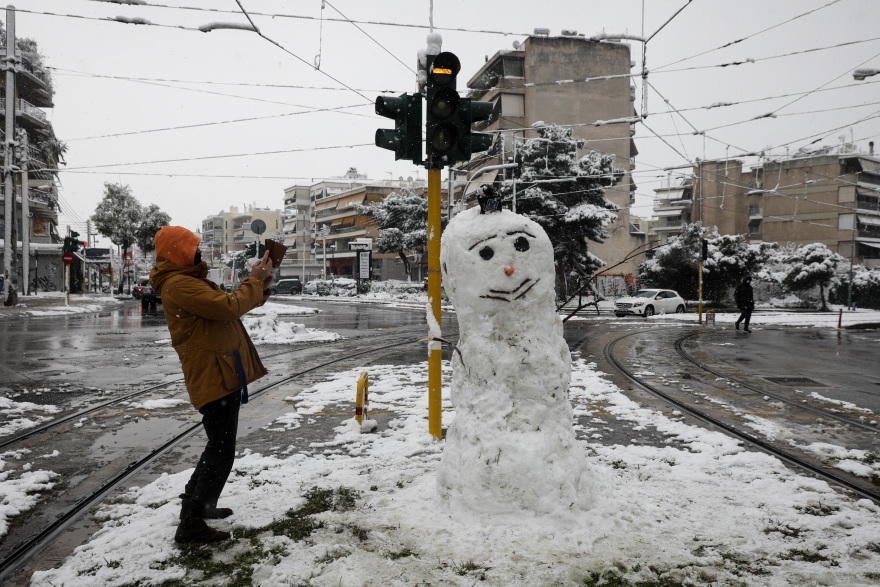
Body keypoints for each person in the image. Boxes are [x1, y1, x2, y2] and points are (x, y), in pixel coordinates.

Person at [150, 226, 275, 543]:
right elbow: (229, 306)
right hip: (212, 376)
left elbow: (228, 307)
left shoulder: (187, 282)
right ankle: (191, 522)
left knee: (218, 447)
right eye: (192, 247)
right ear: (178, 252)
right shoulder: (180, 285)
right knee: (220, 451)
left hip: (220, 372)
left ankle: (197, 506)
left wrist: (259, 284)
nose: (198, 251)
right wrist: (254, 281)